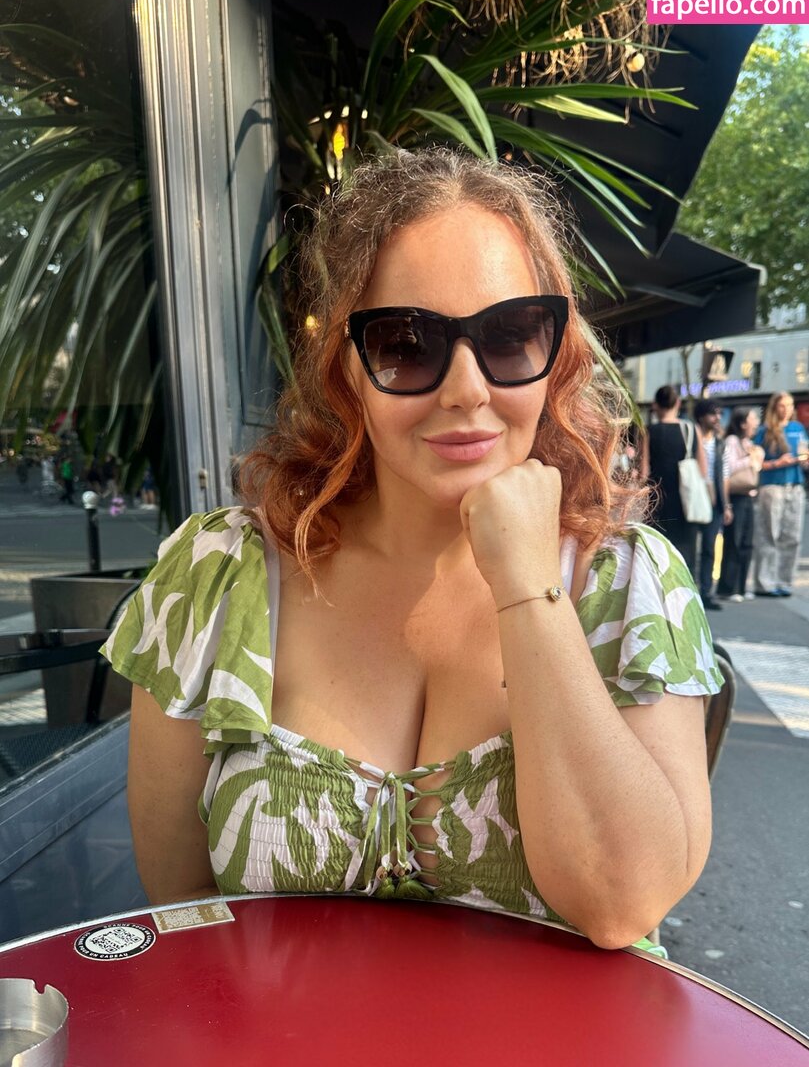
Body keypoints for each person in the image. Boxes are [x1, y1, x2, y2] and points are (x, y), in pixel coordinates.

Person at [103, 149, 720, 954]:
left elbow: (621, 905)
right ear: (347, 368)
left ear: (555, 351)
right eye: (406, 343)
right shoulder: (216, 577)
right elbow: (187, 913)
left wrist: (527, 587)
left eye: (510, 335)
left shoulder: (629, 580)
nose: (465, 389)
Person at [640, 384, 707, 575]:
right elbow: (703, 469)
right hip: (686, 500)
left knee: (658, 553)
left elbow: (644, 471)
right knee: (686, 553)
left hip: (658, 500)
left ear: (655, 405)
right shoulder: (692, 429)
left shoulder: (649, 431)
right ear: (678, 403)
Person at [752, 391, 809, 597]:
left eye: (790, 405)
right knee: (769, 535)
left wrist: (805, 460)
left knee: (792, 537)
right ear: (775, 407)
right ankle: (764, 583)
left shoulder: (798, 428)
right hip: (772, 486)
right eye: (782, 405)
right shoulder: (764, 431)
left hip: (795, 486)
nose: (787, 409)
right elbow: (756, 464)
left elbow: (804, 454)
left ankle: (785, 581)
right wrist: (777, 463)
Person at [716, 408, 763, 602]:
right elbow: (729, 467)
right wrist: (750, 459)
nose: (756, 423)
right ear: (743, 423)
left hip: (748, 496)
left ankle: (741, 587)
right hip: (735, 496)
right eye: (753, 419)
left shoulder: (748, 443)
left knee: (746, 543)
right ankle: (728, 588)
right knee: (733, 541)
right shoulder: (732, 441)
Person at [693, 400, 732, 611]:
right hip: (692, 498)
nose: (717, 418)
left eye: (719, 414)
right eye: (712, 414)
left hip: (714, 502)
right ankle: (689, 591)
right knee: (690, 547)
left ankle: (706, 592)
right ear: (701, 416)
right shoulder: (691, 439)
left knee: (709, 548)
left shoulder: (720, 443)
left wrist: (726, 505)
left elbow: (724, 475)